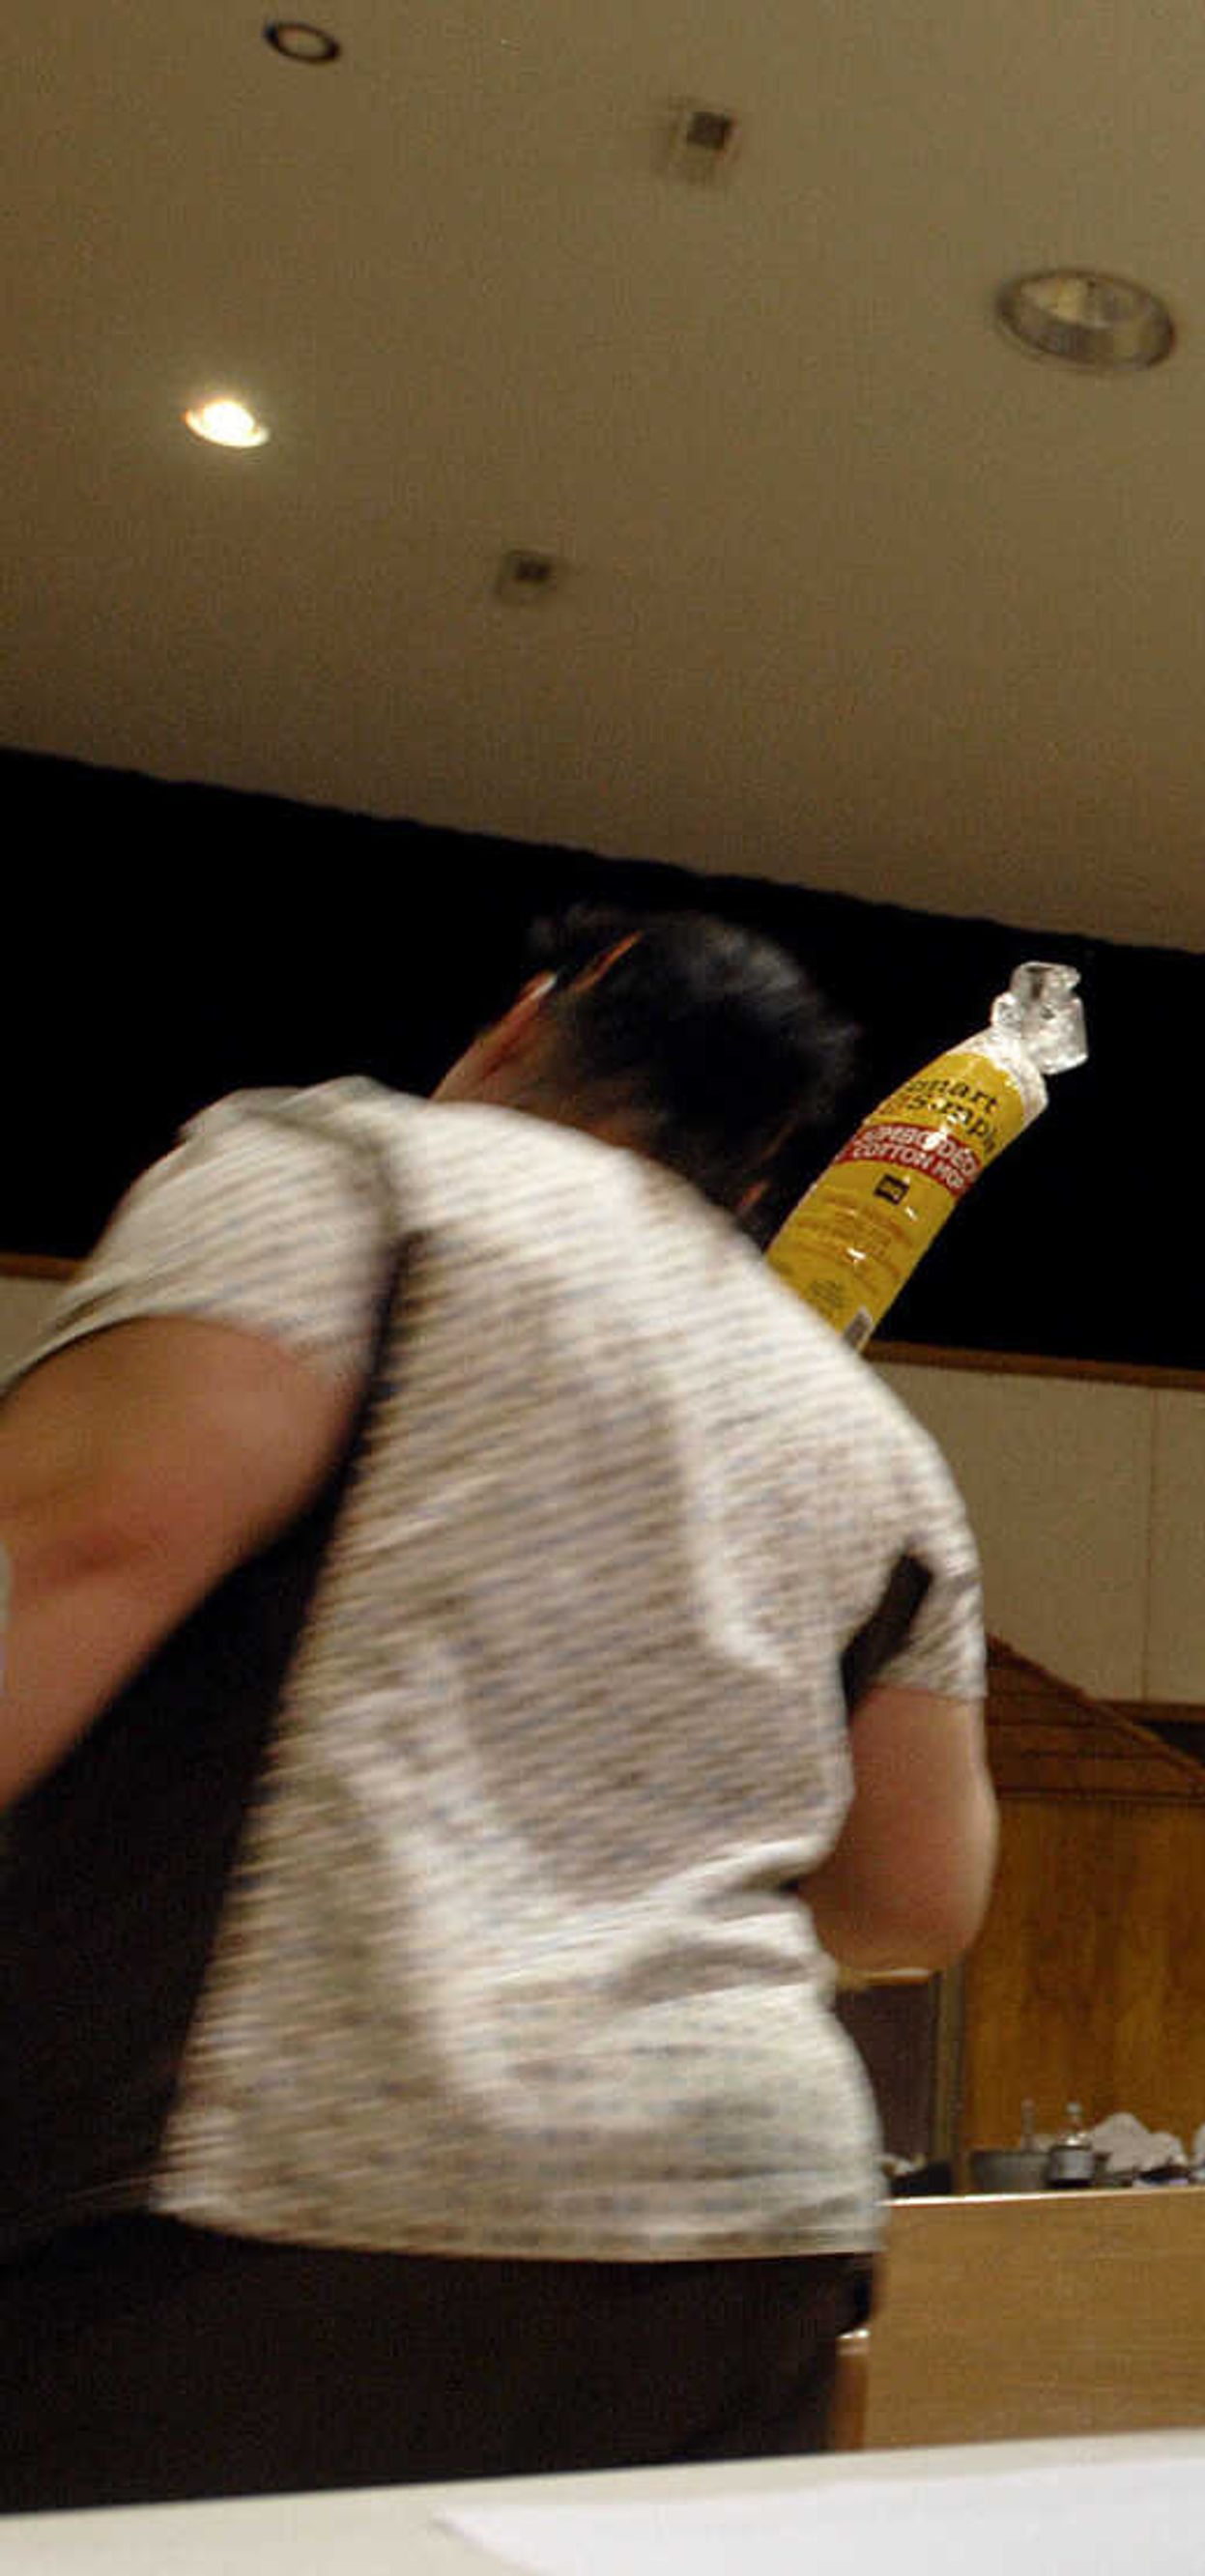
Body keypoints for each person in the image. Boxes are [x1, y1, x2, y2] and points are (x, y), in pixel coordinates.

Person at [0, 909, 998, 2508]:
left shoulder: (353, 1172)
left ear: (531, 1016)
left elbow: (68, 1550)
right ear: (755, 1176)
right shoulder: (866, 1432)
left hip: (287, 2199)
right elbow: (912, 1898)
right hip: (749, 2240)